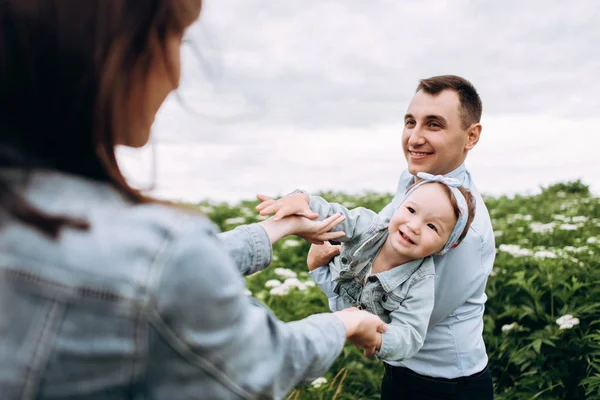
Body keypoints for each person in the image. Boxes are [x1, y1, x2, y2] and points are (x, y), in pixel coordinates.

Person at [0, 1, 388, 399]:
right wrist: (345, 321)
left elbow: (150, 271)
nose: (176, 78)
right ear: (118, 53)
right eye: (176, 41)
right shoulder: (165, 253)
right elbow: (263, 361)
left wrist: (280, 226)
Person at [271, 75, 496, 399]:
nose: (414, 138)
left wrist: (323, 272)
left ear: (471, 136)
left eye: (433, 125)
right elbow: (372, 230)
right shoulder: (417, 180)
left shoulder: (464, 233)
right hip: (403, 371)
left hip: (445, 385)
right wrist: (306, 204)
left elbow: (385, 319)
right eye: (410, 122)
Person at [256, 173, 476, 366]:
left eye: (432, 226)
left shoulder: (420, 280)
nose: (414, 226)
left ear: (447, 245)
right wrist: (303, 202)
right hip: (333, 284)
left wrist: (379, 339)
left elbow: (410, 334)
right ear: (399, 206)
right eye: (411, 210)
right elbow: (334, 215)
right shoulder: (369, 226)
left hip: (358, 326)